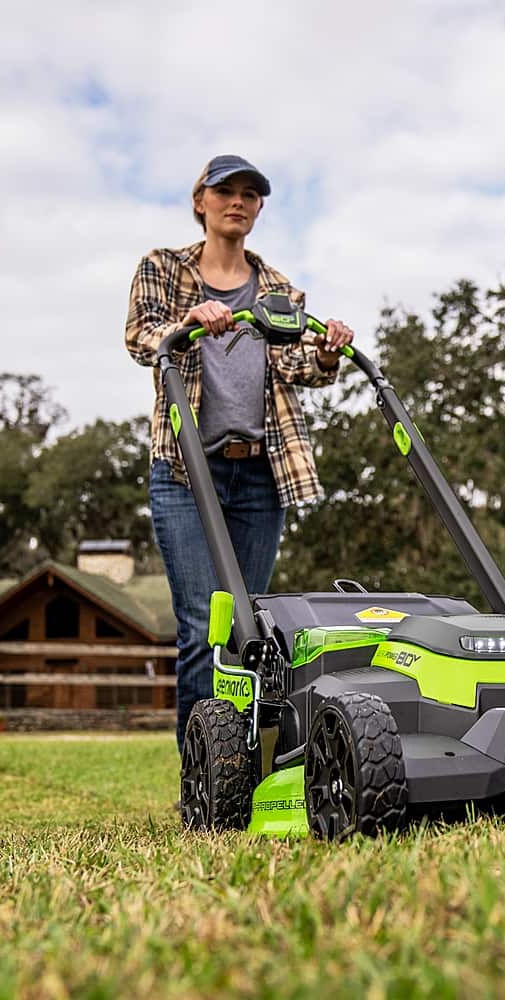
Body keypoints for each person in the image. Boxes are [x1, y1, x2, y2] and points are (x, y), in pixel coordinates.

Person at [125, 154, 354, 754]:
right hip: (185, 472)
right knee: (205, 626)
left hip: (261, 475)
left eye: (251, 194)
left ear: (258, 208)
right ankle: (202, 778)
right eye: (225, 190)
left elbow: (301, 367)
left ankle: (243, 767)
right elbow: (141, 338)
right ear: (200, 200)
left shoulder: (280, 289)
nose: (239, 201)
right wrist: (188, 321)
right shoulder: (162, 267)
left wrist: (328, 350)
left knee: (249, 632)